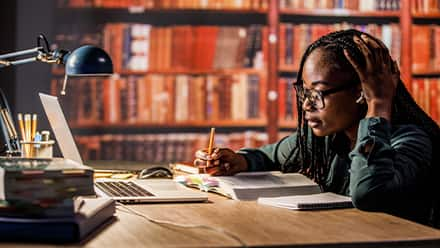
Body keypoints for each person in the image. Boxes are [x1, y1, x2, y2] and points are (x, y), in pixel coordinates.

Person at [193, 29, 440, 227]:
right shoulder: (328, 138)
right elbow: (271, 155)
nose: (307, 104)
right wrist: (238, 161)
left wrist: (378, 102)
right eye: (304, 92)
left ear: (360, 93)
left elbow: (368, 193)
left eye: (318, 93)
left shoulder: (411, 141)